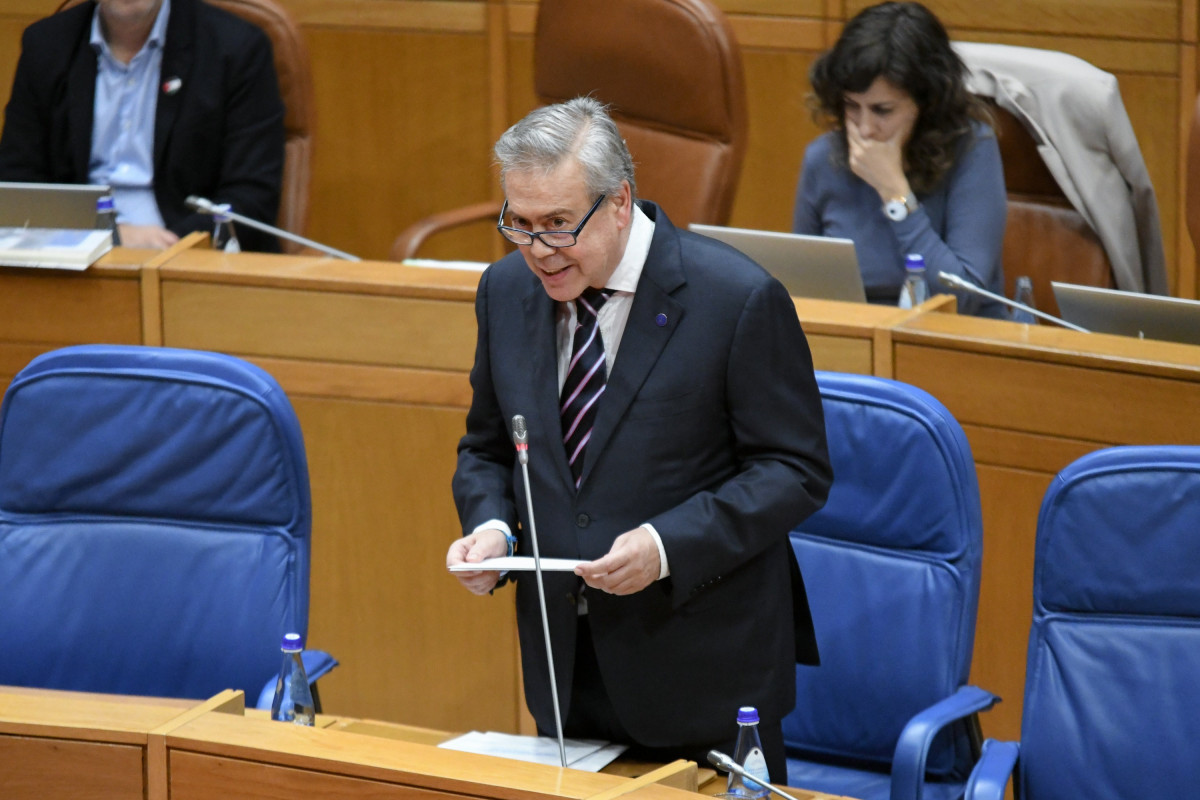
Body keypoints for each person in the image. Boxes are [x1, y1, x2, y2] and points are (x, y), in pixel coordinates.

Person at [447, 97, 832, 781]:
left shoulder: (735, 298)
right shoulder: (505, 292)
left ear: (619, 201)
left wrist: (665, 546)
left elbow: (793, 469)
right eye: (520, 225)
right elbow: (489, 447)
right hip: (567, 673)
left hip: (705, 674)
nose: (538, 251)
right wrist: (493, 529)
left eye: (558, 224)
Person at [0, 0, 285, 252]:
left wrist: (174, 244)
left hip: (185, 258)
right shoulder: (47, 45)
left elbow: (251, 199)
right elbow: (17, 183)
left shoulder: (235, 49)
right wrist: (107, 236)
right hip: (74, 259)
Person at [792, 1, 1008, 317]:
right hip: (857, 334)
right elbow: (801, 291)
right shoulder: (823, 158)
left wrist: (895, 193)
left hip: (950, 336)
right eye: (852, 106)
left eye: (882, 110)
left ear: (926, 103)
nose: (864, 128)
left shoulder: (972, 150)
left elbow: (961, 299)